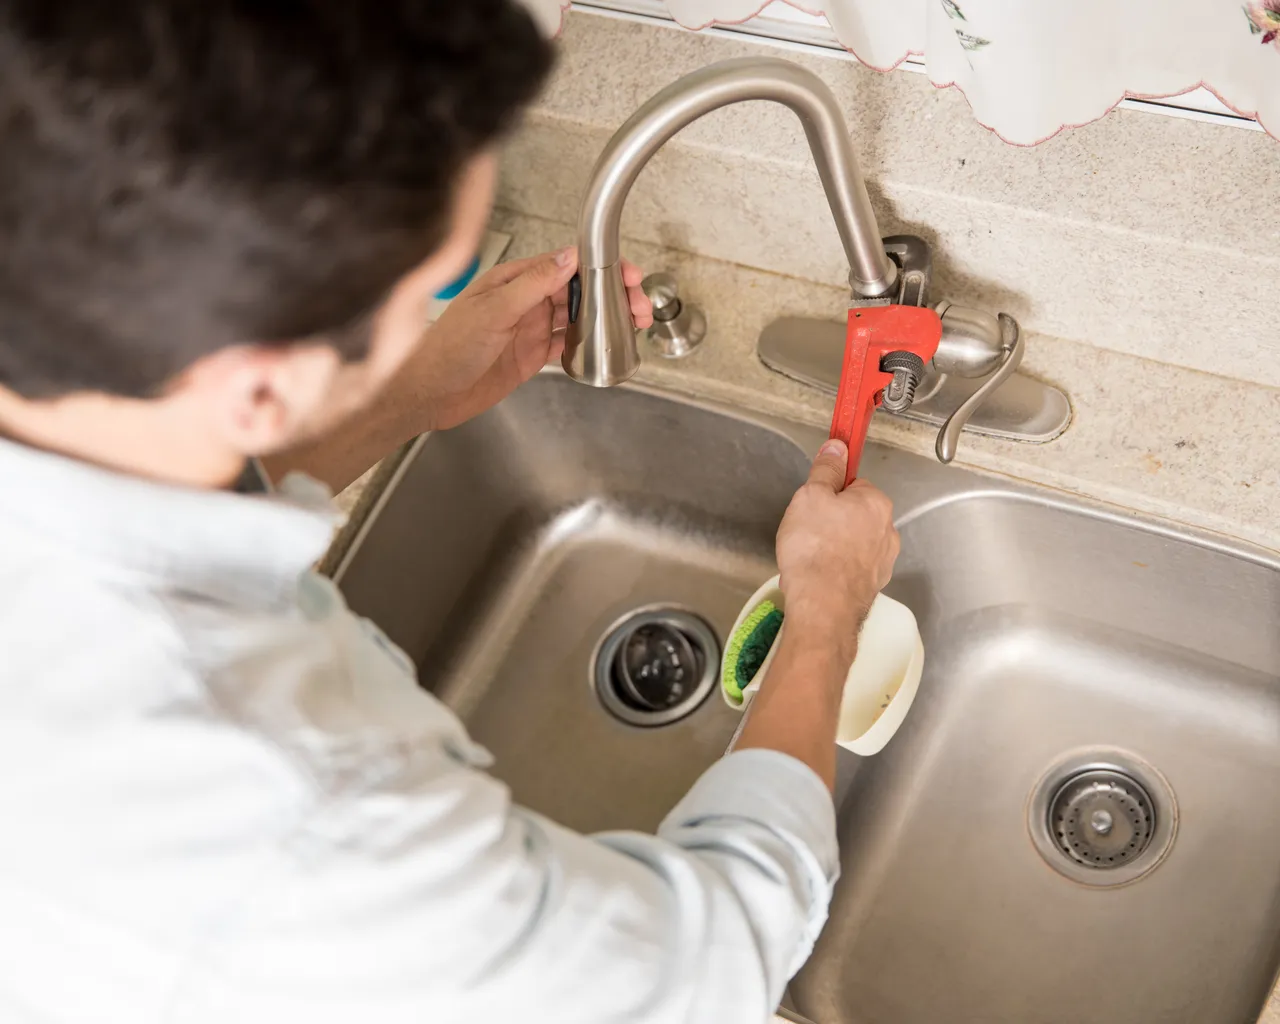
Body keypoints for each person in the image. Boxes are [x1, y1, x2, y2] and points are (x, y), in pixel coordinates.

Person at [0, 2, 900, 1022]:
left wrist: (397, 394)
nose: (419, 313)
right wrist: (824, 614)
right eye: (415, 293)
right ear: (259, 383)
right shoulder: (301, 810)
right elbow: (710, 954)